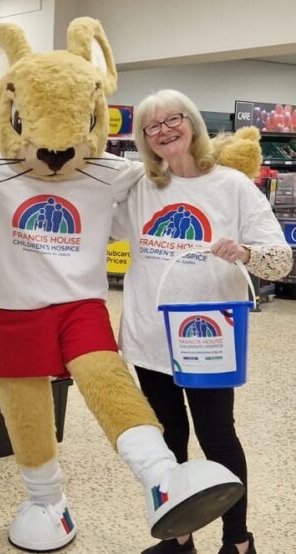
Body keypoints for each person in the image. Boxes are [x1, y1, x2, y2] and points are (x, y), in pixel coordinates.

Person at [114, 89, 293, 554]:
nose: (164, 131)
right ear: (144, 138)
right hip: (150, 338)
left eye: (173, 119)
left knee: (218, 437)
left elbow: (280, 263)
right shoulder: (140, 187)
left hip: (208, 339)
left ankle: (238, 540)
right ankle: (179, 537)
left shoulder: (231, 185)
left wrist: (247, 252)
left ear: (192, 123)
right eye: (152, 126)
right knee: (168, 440)